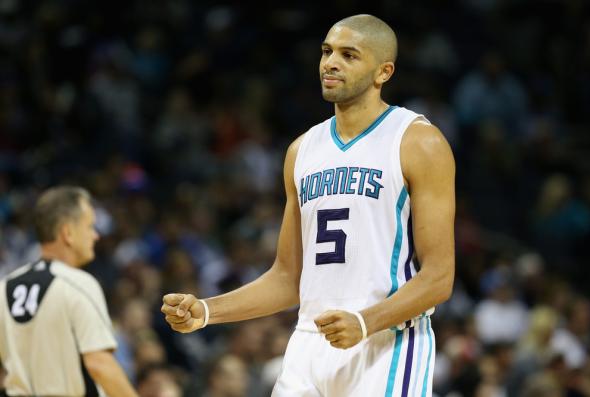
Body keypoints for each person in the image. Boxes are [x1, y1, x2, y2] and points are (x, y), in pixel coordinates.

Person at [162, 14, 455, 396]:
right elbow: (287, 279)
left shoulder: (417, 141)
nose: (331, 62)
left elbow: (439, 277)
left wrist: (365, 323)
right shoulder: (301, 151)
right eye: (327, 51)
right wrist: (205, 311)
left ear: (383, 72)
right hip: (309, 343)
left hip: (387, 342)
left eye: (349, 55)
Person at [0, 186, 138, 397]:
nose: (95, 236)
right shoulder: (78, 284)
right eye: (90, 226)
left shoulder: (5, 286)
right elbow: (99, 364)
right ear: (68, 233)